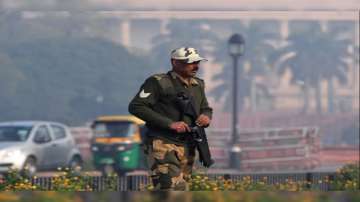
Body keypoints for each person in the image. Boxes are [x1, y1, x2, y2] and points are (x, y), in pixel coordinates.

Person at [128, 47, 213, 190]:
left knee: (184, 190)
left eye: (197, 62)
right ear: (175, 62)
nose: (196, 66)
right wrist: (169, 124)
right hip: (163, 143)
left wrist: (206, 116)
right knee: (169, 189)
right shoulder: (158, 82)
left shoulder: (198, 85)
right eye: (190, 62)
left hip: (189, 145)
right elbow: (136, 106)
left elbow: (205, 108)